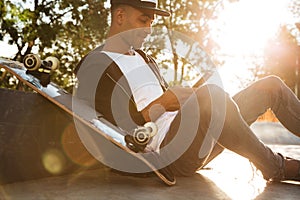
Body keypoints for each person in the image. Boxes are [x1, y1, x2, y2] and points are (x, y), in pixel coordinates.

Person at [75, 0, 300, 184]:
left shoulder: (144, 58)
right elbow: (104, 131)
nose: (149, 30)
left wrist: (185, 100)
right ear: (120, 16)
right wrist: (162, 104)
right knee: (211, 95)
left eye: (151, 22)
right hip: (167, 154)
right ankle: (276, 167)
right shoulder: (95, 66)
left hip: (192, 139)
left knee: (271, 85)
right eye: (143, 20)